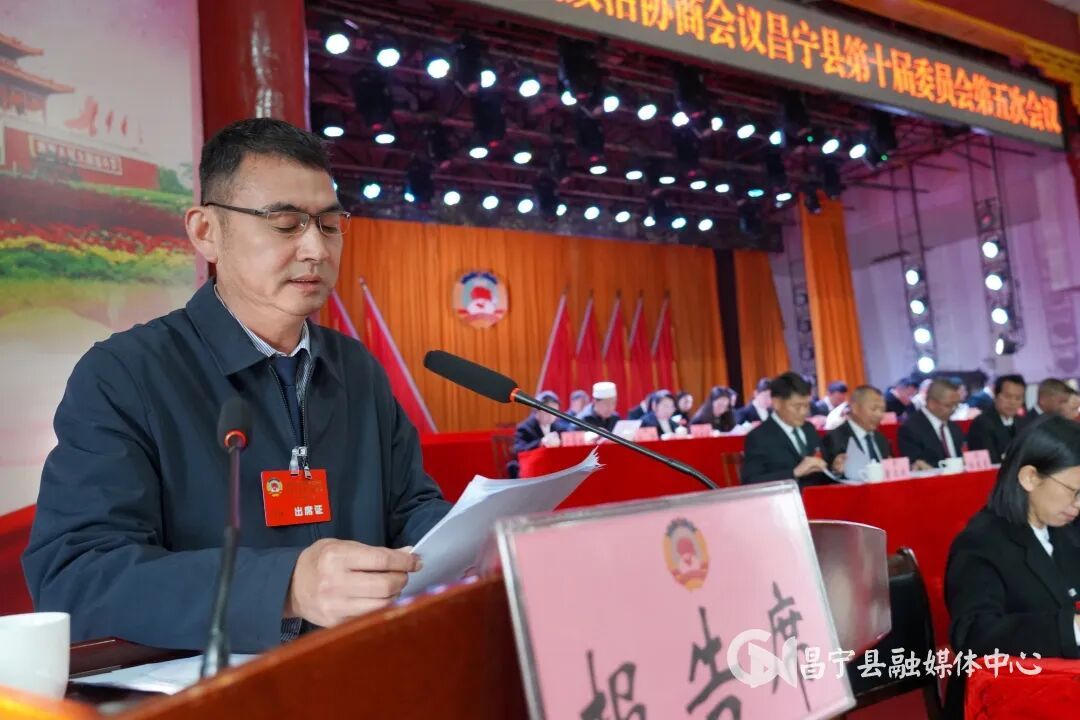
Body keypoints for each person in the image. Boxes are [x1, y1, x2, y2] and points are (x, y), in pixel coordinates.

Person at [22, 118, 451, 652]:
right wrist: (285, 587)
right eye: (286, 224)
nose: (316, 249)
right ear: (206, 232)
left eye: (329, 224)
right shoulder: (126, 374)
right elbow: (77, 577)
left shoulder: (355, 368)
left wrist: (479, 537)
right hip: (213, 682)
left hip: (360, 666)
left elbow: (409, 509)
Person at [944, 415, 1080, 717]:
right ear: (1030, 477)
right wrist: (1072, 628)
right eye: (1074, 491)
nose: (1078, 504)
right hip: (1007, 701)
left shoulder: (1064, 527)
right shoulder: (981, 542)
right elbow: (974, 635)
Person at [740, 372, 830, 487]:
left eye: (807, 405)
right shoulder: (759, 437)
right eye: (797, 406)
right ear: (776, 403)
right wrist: (794, 473)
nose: (804, 412)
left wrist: (836, 468)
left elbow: (823, 470)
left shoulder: (809, 429)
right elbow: (751, 481)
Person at [897, 377, 966, 470]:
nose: (954, 409)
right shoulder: (911, 428)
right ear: (932, 403)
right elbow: (915, 464)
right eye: (949, 405)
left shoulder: (954, 427)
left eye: (956, 405)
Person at [823, 385, 891, 476]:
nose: (879, 415)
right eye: (874, 409)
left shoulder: (880, 438)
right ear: (855, 408)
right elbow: (827, 476)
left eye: (882, 410)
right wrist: (836, 471)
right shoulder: (834, 438)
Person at [965, 374, 1026, 464]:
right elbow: (990, 460)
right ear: (995, 395)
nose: (1012, 402)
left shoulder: (1023, 423)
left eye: (1018, 398)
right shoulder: (981, 423)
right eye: (1007, 396)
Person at [507, 391, 561, 477]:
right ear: (537, 410)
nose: (551, 416)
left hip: (551, 469)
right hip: (531, 469)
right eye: (548, 412)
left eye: (555, 413)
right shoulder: (524, 427)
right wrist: (540, 443)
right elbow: (519, 450)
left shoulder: (557, 427)